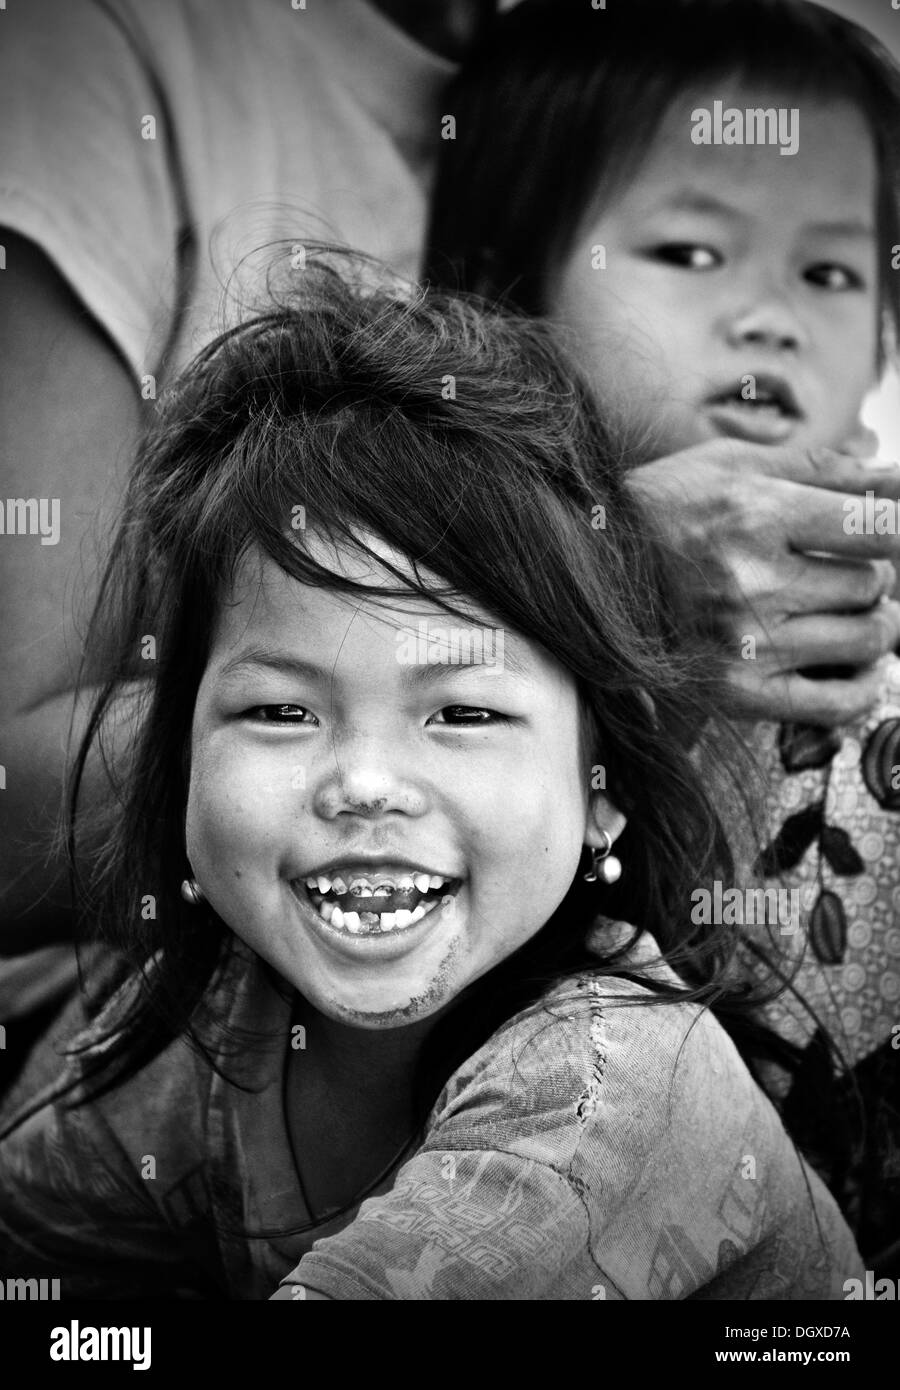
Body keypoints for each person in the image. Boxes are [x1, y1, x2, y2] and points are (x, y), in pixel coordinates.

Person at [0, 257, 861, 1299]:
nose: (366, 783)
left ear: (603, 784)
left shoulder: (609, 1094)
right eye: (282, 711)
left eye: (463, 712)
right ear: (178, 755)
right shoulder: (206, 1019)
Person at [425, 0, 900, 1268]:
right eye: (693, 251)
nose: (769, 315)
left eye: (832, 271)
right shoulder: (413, 590)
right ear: (499, 293)